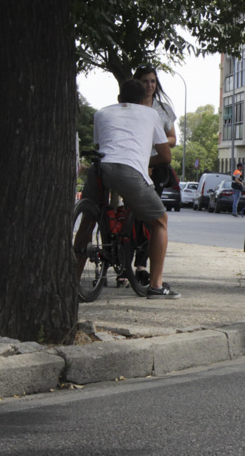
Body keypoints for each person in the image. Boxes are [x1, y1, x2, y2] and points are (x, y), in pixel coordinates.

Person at [75, 79, 179, 299]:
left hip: (100, 167)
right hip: (129, 170)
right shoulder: (150, 114)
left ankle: (73, 280)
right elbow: (166, 155)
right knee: (160, 221)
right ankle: (156, 285)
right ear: (143, 101)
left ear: (119, 98)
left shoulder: (101, 113)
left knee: (88, 220)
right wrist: (145, 163)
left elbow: (105, 144)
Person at [133, 66, 178, 281]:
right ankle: (123, 262)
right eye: (145, 81)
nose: (149, 85)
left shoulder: (163, 109)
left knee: (149, 216)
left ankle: (142, 266)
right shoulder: (130, 107)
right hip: (132, 164)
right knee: (128, 214)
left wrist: (156, 138)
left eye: (153, 81)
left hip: (156, 165)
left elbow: (172, 139)